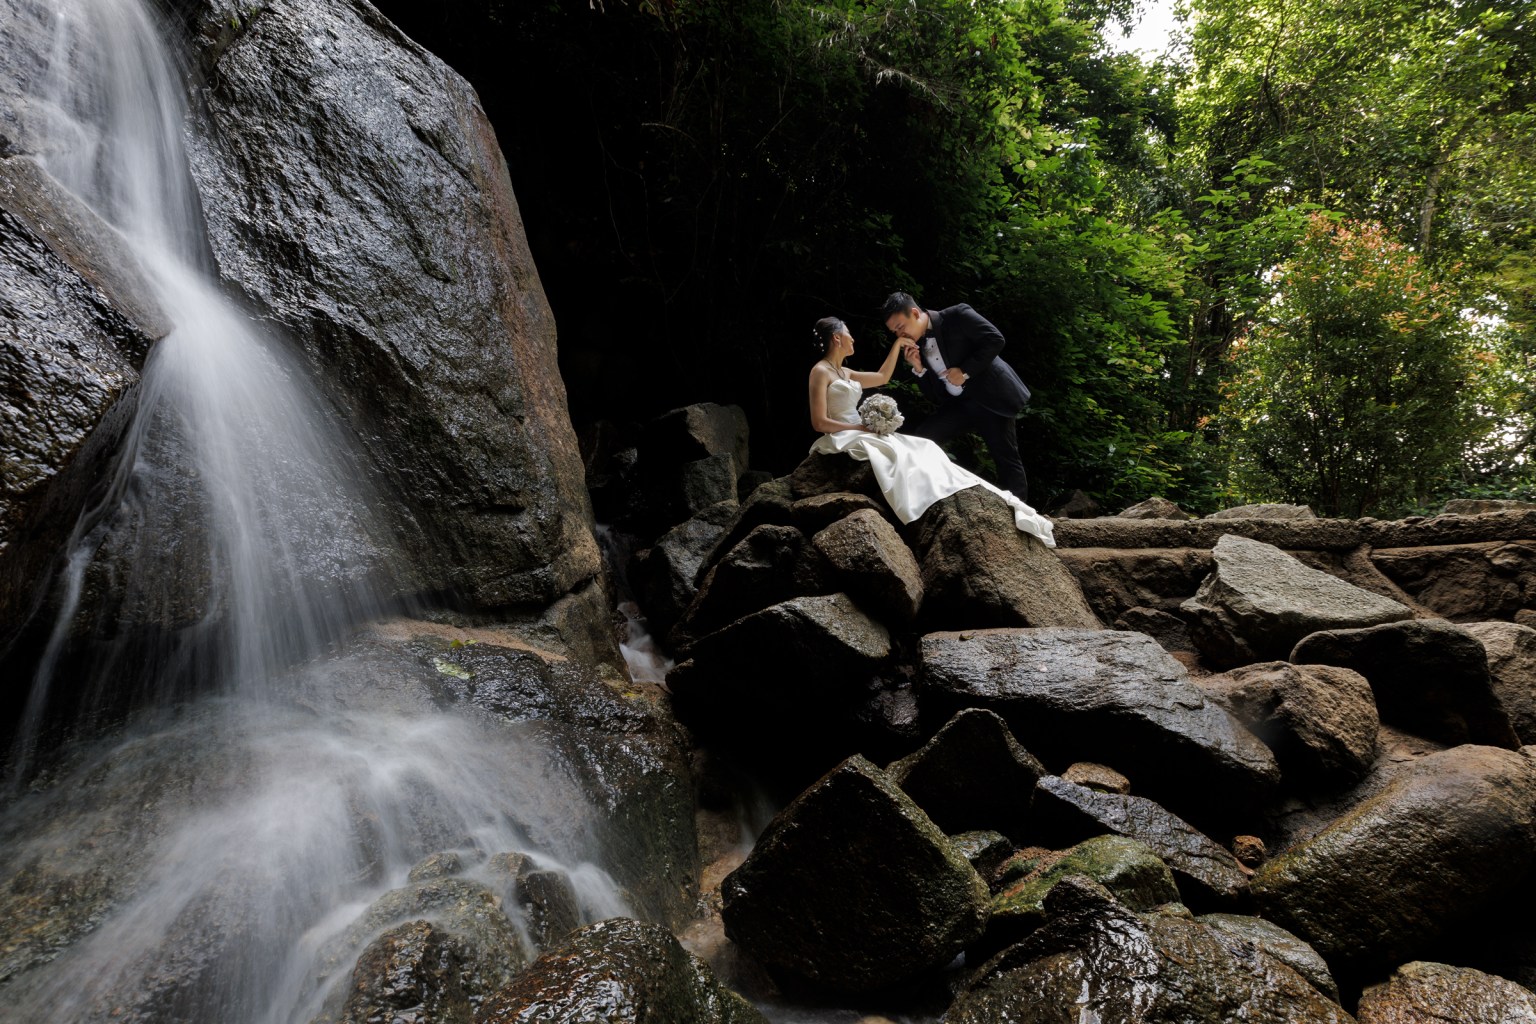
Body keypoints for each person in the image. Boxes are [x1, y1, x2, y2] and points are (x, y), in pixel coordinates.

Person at [807, 316, 1054, 546]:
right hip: (844, 432)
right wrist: (861, 427)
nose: (853, 338)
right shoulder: (820, 371)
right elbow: (819, 422)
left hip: (862, 429)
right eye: (848, 334)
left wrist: (897, 346)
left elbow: (882, 377)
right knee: (900, 454)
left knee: (924, 446)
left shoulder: (846, 373)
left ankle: (988, 498)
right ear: (837, 338)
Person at [881, 291, 1032, 503]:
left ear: (914, 313)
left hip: (990, 397)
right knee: (925, 436)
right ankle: (926, 499)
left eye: (900, 327)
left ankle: (1021, 518)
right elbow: (935, 396)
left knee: (1006, 459)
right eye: (894, 332)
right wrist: (918, 368)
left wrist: (965, 371)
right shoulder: (917, 346)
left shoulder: (957, 315)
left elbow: (995, 339)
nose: (899, 335)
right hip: (959, 406)